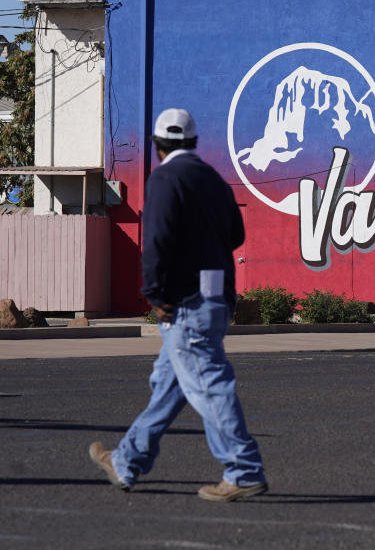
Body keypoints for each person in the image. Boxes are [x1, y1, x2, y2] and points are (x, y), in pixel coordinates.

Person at [89, 108, 267, 502]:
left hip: (184, 303)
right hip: (216, 296)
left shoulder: (166, 179)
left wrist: (155, 294)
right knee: (170, 385)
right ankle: (126, 460)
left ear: (158, 146)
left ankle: (243, 469)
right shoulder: (214, 180)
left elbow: (156, 241)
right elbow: (235, 234)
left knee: (209, 384)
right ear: (193, 142)